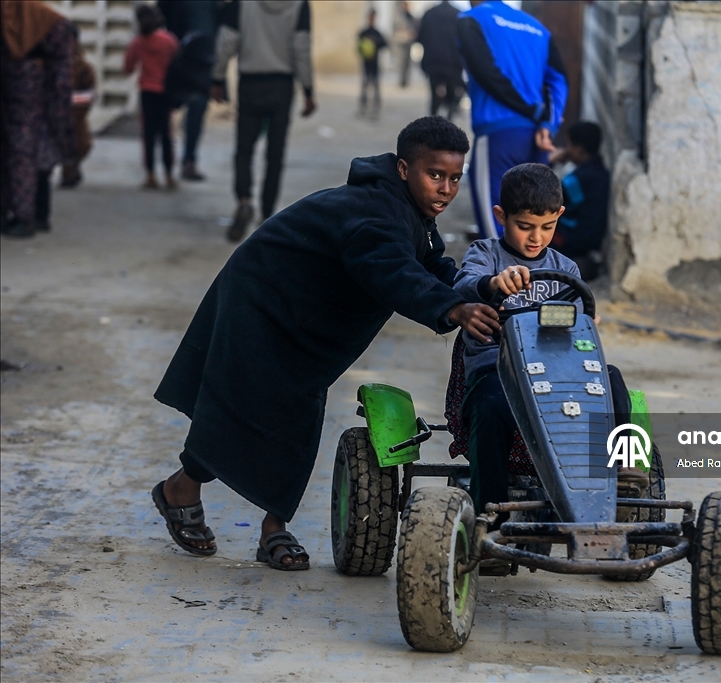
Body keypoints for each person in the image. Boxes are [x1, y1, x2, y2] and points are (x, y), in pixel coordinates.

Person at [150, 117, 501, 571]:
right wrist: (452, 310)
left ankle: (256, 519)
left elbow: (433, 265)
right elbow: (392, 270)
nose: (446, 189)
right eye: (435, 175)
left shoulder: (413, 214)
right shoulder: (375, 212)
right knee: (250, 407)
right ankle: (202, 498)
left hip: (304, 314)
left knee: (291, 409)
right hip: (263, 301)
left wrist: (485, 287)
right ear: (402, 169)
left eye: (455, 178)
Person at [452, 163, 643, 521]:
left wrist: (584, 324)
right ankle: (490, 515)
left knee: (611, 378)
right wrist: (493, 283)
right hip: (498, 370)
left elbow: (576, 323)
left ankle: (622, 465)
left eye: (547, 227)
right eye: (524, 226)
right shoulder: (486, 254)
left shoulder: (566, 269)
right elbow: (463, 284)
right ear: (500, 216)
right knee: (490, 405)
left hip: (557, 372)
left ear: (559, 217)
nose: (536, 237)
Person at [457, 0, 568, 240]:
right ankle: (532, 276)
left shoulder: (471, 19)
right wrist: (548, 124)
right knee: (534, 223)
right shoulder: (538, 28)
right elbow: (558, 80)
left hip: (498, 135)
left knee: (494, 222)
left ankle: (503, 276)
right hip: (538, 138)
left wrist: (530, 111)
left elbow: (485, 73)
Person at [212, 0, 316, 242]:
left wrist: (217, 78)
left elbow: (227, 40)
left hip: (250, 83)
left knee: (244, 148)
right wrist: (309, 90)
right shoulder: (300, 5)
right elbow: (301, 47)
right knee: (275, 153)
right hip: (282, 85)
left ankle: (244, 200)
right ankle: (268, 213)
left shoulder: (241, 3)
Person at [0, 0, 75, 239]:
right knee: (29, 156)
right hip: (33, 99)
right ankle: (31, 215)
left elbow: (61, 77)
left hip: (29, 100)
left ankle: (26, 217)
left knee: (24, 155)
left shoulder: (47, 24)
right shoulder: (48, 21)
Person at [157, 0, 220, 182]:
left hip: (191, 57)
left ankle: (181, 160)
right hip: (186, 58)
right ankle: (178, 161)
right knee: (190, 110)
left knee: (190, 109)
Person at [124, 4, 179, 190]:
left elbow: (128, 67)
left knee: (148, 134)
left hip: (147, 92)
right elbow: (178, 63)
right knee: (166, 133)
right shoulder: (169, 40)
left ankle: (150, 175)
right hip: (166, 91)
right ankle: (169, 175)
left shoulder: (138, 42)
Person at [548, 121, 611, 281]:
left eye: (569, 145)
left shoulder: (578, 179)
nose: (567, 150)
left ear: (579, 149)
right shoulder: (600, 171)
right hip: (591, 238)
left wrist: (550, 162)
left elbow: (549, 197)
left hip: (575, 238)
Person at [60, 24, 96, 189]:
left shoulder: (73, 63)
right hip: (74, 111)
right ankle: (70, 169)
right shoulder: (81, 64)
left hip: (67, 109)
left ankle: (69, 169)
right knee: (78, 143)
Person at [416, 0, 464, 120]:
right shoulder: (459, 14)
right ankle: (449, 119)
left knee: (434, 94)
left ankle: (433, 120)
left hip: (433, 62)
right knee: (452, 93)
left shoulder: (429, 14)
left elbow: (420, 38)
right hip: (453, 63)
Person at [357, 9, 388, 118]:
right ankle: (363, 107)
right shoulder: (363, 32)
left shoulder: (377, 33)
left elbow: (385, 44)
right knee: (365, 86)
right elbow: (358, 47)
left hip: (375, 64)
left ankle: (376, 108)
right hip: (366, 63)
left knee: (375, 86)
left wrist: (376, 42)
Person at [392, 1, 417, 89]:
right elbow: (395, 28)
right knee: (402, 61)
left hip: (409, 42)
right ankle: (401, 80)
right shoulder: (398, 17)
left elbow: (415, 26)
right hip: (401, 42)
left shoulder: (410, 16)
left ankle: (406, 80)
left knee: (408, 62)